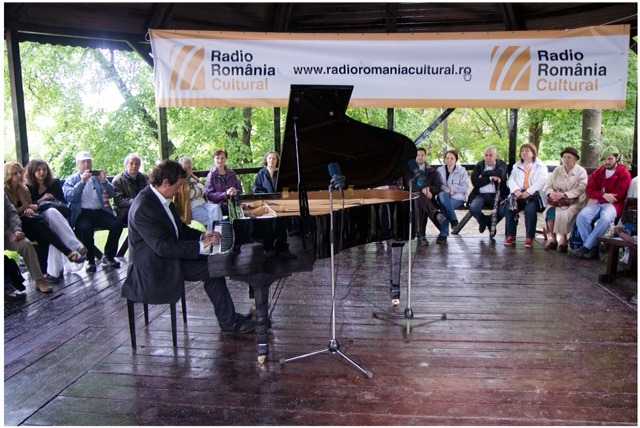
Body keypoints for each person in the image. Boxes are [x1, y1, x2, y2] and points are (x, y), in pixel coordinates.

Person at [121, 160, 254, 334]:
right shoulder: (144, 207)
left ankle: (229, 320)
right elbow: (163, 247)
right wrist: (200, 246)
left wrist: (202, 235)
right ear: (166, 183)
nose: (180, 190)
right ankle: (229, 323)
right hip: (155, 267)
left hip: (169, 256)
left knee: (214, 266)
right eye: (178, 186)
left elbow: (180, 229)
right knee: (212, 269)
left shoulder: (161, 198)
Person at [6, 162, 84, 276]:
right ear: (8, 175)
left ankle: (53, 272)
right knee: (46, 226)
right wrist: (27, 207)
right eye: (14, 173)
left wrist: (29, 209)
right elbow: (10, 213)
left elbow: (32, 206)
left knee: (48, 224)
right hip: (14, 226)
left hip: (33, 219)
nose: (18, 175)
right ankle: (69, 251)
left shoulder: (23, 188)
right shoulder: (7, 191)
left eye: (19, 172)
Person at [63, 151, 123, 273]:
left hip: (100, 211)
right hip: (82, 213)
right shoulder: (72, 180)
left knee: (117, 224)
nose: (86, 164)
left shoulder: (97, 177)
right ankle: (90, 261)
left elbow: (113, 193)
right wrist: (82, 182)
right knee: (85, 228)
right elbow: (70, 197)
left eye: (89, 161)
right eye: (83, 162)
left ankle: (108, 257)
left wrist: (104, 182)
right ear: (78, 165)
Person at [573, 153, 632, 259]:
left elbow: (619, 195)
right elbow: (589, 190)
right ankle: (593, 247)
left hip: (614, 205)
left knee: (605, 219)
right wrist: (603, 195)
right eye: (604, 159)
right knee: (582, 217)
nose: (607, 162)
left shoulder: (624, 173)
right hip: (597, 202)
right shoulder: (599, 172)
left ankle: (586, 247)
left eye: (610, 159)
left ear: (616, 159)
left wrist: (600, 195)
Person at [542, 147, 588, 252]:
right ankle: (552, 238)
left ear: (575, 159)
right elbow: (548, 185)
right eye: (564, 157)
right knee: (550, 211)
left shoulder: (581, 171)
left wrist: (565, 195)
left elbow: (582, 188)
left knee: (564, 214)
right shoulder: (557, 170)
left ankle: (563, 238)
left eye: (569, 157)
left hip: (574, 201)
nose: (566, 159)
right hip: (557, 201)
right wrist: (551, 193)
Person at [504, 143, 549, 248]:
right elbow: (511, 180)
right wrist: (516, 190)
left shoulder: (540, 166)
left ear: (533, 153)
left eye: (527, 151)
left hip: (534, 195)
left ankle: (529, 237)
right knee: (510, 207)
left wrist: (528, 192)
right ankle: (510, 236)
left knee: (530, 209)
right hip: (518, 194)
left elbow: (541, 181)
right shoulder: (516, 166)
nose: (524, 153)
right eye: (522, 151)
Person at [5, 194, 50, 293]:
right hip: (6, 233)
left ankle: (39, 280)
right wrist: (8, 233)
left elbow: (12, 213)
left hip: (9, 235)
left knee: (26, 245)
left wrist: (16, 230)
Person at [409, 147, 446, 245]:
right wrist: (423, 189)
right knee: (419, 198)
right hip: (412, 199)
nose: (420, 157)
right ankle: (435, 214)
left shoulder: (433, 171)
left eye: (422, 155)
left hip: (429, 199)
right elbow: (408, 185)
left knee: (421, 204)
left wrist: (429, 190)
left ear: (425, 157)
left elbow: (438, 186)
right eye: (418, 155)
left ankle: (421, 237)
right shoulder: (409, 170)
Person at [467, 147, 508, 234]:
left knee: (503, 210)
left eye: (490, 155)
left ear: (496, 156)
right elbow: (475, 182)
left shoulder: (501, 164)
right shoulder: (479, 165)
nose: (488, 157)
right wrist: (490, 178)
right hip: (480, 195)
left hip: (497, 195)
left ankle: (490, 221)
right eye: (486, 155)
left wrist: (483, 175)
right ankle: (484, 221)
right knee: (473, 208)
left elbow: (500, 173)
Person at [175, 156, 222, 230]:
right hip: (192, 208)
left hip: (203, 204)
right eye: (185, 168)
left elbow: (204, 190)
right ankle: (214, 234)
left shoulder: (194, 179)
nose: (188, 170)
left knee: (216, 208)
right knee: (211, 217)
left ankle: (216, 232)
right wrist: (198, 190)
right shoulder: (180, 182)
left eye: (189, 167)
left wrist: (198, 188)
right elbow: (189, 195)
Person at [436, 149, 469, 243]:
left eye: (452, 158)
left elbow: (465, 187)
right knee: (443, 195)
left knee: (444, 207)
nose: (449, 160)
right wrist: (448, 190)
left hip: (458, 198)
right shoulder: (439, 170)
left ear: (456, 160)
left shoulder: (462, 171)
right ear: (444, 159)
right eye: (447, 158)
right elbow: (438, 185)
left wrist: (454, 189)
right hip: (443, 196)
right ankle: (454, 220)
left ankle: (443, 235)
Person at [112, 153, 149, 226]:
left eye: (137, 164)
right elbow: (119, 201)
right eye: (131, 163)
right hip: (124, 210)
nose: (134, 166)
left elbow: (150, 193)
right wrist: (136, 202)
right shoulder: (118, 180)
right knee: (141, 216)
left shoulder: (144, 178)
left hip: (142, 208)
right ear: (126, 165)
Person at [205, 149, 242, 216]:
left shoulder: (232, 173)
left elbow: (239, 190)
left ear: (226, 159)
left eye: (222, 158)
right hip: (218, 207)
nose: (220, 160)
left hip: (233, 205)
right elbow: (209, 195)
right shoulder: (211, 175)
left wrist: (235, 191)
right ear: (214, 159)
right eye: (217, 158)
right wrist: (225, 194)